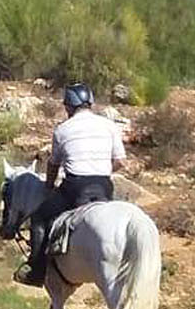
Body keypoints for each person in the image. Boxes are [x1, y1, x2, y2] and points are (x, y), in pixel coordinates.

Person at [15, 82, 127, 287]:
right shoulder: (110, 125)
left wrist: (49, 186)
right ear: (90, 103)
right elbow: (120, 161)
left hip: (75, 187)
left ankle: (37, 270)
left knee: (40, 218)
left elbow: (53, 164)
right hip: (104, 185)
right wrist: (102, 171)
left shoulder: (62, 130)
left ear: (69, 106)